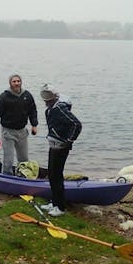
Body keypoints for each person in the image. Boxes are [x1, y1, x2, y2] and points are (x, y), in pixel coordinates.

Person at [39, 84, 82, 217]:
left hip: (61, 146)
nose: (45, 102)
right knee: (52, 174)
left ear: (53, 98)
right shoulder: (53, 108)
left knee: (56, 175)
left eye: (47, 99)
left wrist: (69, 140)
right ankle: (55, 202)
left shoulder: (59, 109)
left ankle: (60, 207)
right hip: (54, 144)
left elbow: (76, 124)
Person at [0, 74, 38, 175]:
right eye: (14, 81)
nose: (16, 83)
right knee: (9, 159)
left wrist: (34, 125)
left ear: (21, 82)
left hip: (22, 131)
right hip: (8, 132)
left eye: (18, 81)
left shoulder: (27, 95)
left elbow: (33, 111)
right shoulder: (4, 97)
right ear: (10, 83)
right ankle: (6, 177)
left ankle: (23, 175)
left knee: (24, 159)